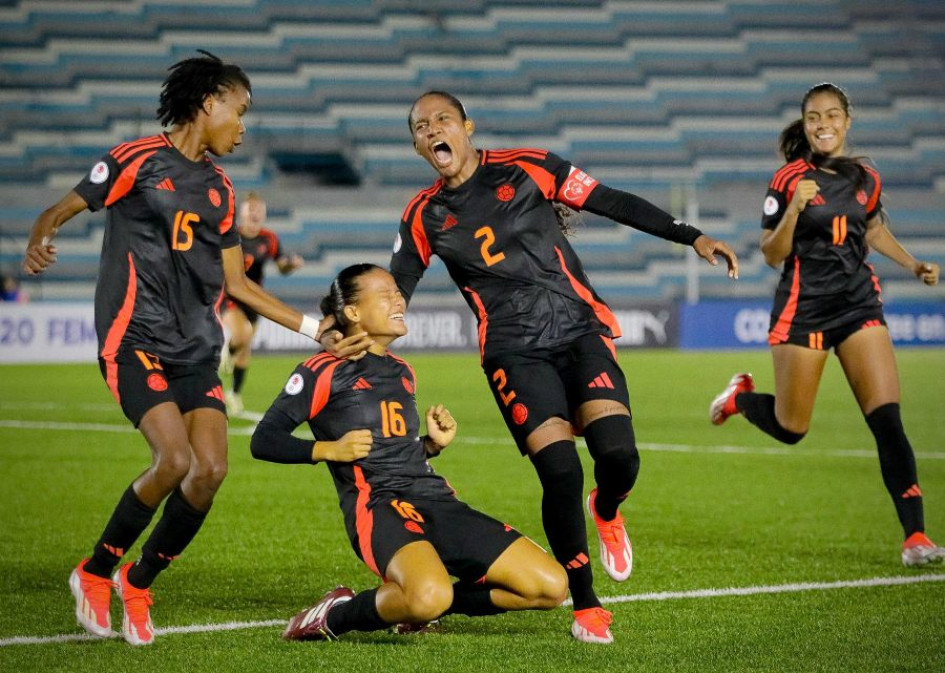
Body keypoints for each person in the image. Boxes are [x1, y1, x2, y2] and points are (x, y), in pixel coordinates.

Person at [321, 91, 739, 643]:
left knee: (618, 456)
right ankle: (587, 604)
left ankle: (606, 508)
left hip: (580, 329)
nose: (433, 130)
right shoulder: (425, 215)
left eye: (443, 119)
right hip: (513, 351)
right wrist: (341, 326)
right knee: (561, 470)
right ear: (418, 146)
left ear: (468, 126)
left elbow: (610, 201)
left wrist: (692, 236)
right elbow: (395, 288)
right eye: (421, 127)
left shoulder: (529, 166)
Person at [21, 51, 333, 646]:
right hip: (133, 337)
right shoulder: (135, 158)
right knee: (173, 461)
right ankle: (95, 571)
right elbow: (58, 210)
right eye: (240, 111)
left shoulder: (221, 189)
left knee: (210, 469)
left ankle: (137, 582)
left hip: (195, 346)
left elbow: (238, 284)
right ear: (209, 103)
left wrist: (317, 329)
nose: (243, 127)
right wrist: (41, 235)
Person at [251, 264, 568, 641]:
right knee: (429, 594)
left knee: (550, 586)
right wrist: (328, 449)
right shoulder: (323, 369)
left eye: (397, 293)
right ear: (353, 312)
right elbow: (264, 439)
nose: (398, 300)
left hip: (435, 499)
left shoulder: (402, 371)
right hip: (380, 505)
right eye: (385, 294)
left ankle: (419, 605)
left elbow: (393, 450)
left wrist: (430, 445)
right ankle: (335, 614)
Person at [710, 82, 944, 567]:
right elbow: (771, 253)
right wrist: (795, 209)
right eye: (814, 117)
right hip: (804, 309)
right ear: (805, 124)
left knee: (887, 420)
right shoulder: (788, 179)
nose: (824, 124)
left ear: (847, 122)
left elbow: (873, 229)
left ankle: (916, 536)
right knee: (792, 428)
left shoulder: (866, 177)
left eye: (832, 115)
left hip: (859, 306)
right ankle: (739, 399)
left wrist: (913, 264)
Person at [220, 191, 303, 415]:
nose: (255, 214)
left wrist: (291, 265)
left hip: (253, 297)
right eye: (251, 209)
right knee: (242, 333)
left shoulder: (269, 239)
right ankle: (227, 351)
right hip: (230, 294)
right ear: (242, 213)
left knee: (246, 348)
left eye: (258, 210)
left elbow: (281, 265)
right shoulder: (231, 236)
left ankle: (234, 393)